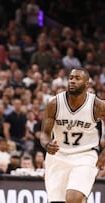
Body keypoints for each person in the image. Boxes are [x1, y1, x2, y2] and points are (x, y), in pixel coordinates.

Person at [40, 67, 105, 203]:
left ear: (87, 84)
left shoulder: (97, 105)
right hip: (58, 155)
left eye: (77, 78)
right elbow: (44, 133)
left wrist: (104, 153)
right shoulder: (54, 103)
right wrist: (47, 144)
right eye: (70, 78)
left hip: (85, 155)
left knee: (73, 198)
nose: (72, 81)